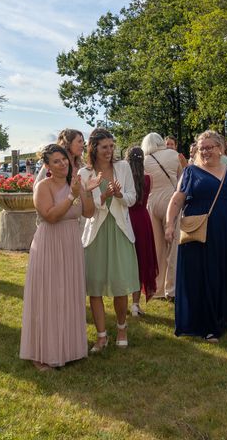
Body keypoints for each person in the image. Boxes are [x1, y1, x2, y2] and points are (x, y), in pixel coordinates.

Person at [165, 130, 227, 342]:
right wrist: (169, 224)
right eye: (202, 148)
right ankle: (208, 324)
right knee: (206, 277)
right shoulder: (191, 172)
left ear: (220, 148)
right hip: (202, 234)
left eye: (210, 147)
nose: (206, 151)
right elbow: (176, 200)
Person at [20, 144, 99, 371]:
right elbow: (50, 216)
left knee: (69, 294)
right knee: (49, 296)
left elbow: (89, 212)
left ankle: (69, 348)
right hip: (49, 244)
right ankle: (42, 352)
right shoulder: (43, 187)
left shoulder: (74, 184)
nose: (62, 164)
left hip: (71, 245)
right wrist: (72, 196)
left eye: (64, 159)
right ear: (47, 166)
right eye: (56, 161)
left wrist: (86, 191)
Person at [79, 128, 140, 351]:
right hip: (96, 232)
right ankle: (101, 335)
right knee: (95, 285)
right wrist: (103, 196)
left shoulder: (123, 167)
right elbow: (86, 209)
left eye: (112, 146)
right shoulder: (84, 173)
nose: (109, 150)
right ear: (93, 148)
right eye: (104, 147)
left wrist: (120, 195)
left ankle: (122, 328)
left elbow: (133, 199)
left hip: (120, 231)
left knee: (120, 284)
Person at [142, 133, 182, 301]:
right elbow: (181, 179)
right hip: (170, 201)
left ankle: (157, 289)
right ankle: (171, 289)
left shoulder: (145, 160)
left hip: (152, 202)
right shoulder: (173, 155)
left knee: (157, 248)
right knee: (174, 246)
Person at [126, 146, 158, 315]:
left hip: (127, 219)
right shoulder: (148, 178)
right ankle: (135, 304)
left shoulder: (124, 179)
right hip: (143, 220)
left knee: (127, 259)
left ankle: (124, 299)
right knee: (141, 260)